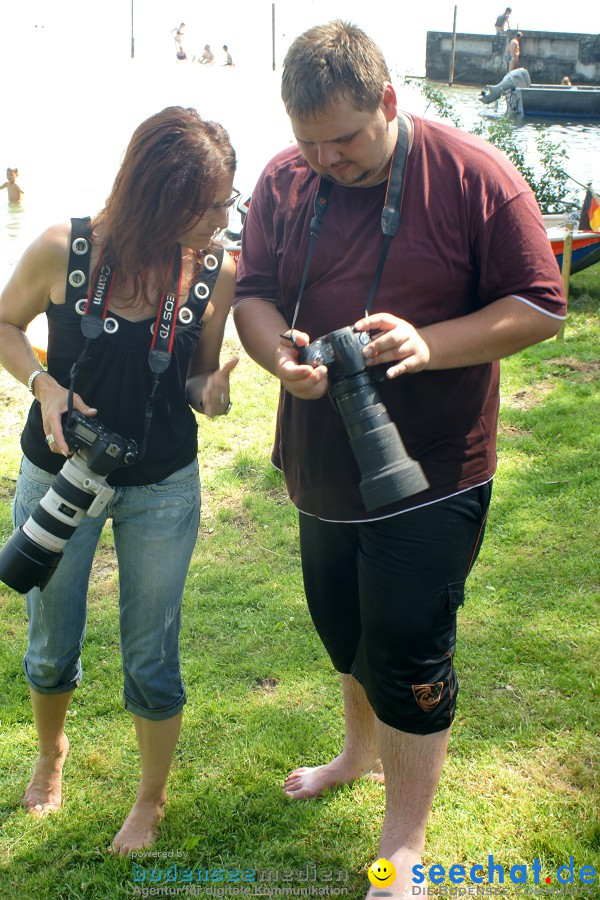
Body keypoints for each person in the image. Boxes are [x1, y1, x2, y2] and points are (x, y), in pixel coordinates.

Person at [233, 20, 565, 899]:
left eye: (342, 139)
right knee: (345, 628)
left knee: (409, 652)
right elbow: (255, 292)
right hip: (320, 458)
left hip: (436, 466)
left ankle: (403, 851)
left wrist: (429, 342)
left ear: (389, 101)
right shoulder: (284, 177)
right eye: (308, 142)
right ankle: (357, 754)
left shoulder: (472, 176)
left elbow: (540, 305)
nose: (324, 160)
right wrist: (281, 360)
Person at [0, 106, 239, 855]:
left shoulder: (214, 270)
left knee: (151, 650)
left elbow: (196, 376)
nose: (222, 218)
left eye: (230, 199)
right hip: (59, 472)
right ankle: (50, 755)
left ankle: (149, 799)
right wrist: (42, 384)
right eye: (210, 204)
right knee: (50, 638)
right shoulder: (62, 249)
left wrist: (212, 392)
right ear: (158, 198)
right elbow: (3, 323)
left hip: (163, 482)